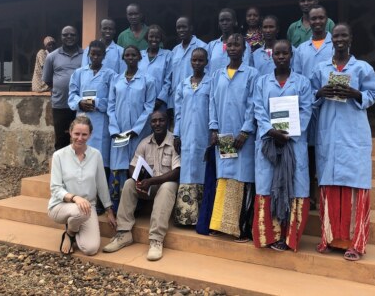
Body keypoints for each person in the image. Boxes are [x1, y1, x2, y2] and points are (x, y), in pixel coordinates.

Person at [311, 23, 375, 261]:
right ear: (332, 39)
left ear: (351, 38)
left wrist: (356, 94)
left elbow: (373, 96)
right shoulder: (321, 69)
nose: (340, 39)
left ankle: (355, 243)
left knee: (354, 186)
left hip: (354, 135)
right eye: (336, 36)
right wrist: (320, 93)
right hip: (328, 133)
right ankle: (328, 238)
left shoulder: (362, 68)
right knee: (329, 186)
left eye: (344, 35)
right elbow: (310, 96)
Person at [253, 40, 313, 252]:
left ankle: (290, 238)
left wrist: (289, 133)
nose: (280, 57)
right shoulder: (261, 82)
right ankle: (270, 236)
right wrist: (271, 131)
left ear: (291, 55)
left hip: (293, 143)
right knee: (267, 183)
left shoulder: (303, 83)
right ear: (272, 56)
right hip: (269, 142)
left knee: (295, 185)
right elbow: (258, 109)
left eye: (284, 53)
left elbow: (306, 110)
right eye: (277, 53)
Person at [103, 110, 180, 261]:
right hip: (148, 187)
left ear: (168, 122)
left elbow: (176, 172)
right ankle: (124, 233)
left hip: (165, 189)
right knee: (129, 183)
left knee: (168, 186)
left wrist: (151, 181)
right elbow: (133, 166)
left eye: (161, 120)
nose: (157, 124)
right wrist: (138, 180)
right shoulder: (145, 143)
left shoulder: (174, 143)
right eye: (154, 121)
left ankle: (156, 240)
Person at [209, 33, 258, 241]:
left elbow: (253, 104)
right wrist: (213, 128)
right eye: (230, 44)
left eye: (238, 44)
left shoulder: (252, 74)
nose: (234, 47)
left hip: (242, 138)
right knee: (225, 177)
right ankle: (221, 224)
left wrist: (245, 131)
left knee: (242, 179)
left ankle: (241, 228)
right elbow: (212, 102)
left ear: (245, 49)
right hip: (224, 136)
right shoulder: (217, 74)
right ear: (226, 48)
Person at [48, 116, 116, 255]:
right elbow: (55, 188)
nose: (80, 138)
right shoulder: (59, 156)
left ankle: (72, 229)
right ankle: (70, 233)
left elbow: (102, 184)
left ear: (90, 135)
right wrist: (75, 198)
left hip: (86, 208)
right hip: (60, 206)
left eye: (84, 134)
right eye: (76, 134)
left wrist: (109, 210)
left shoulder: (96, 155)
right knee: (80, 210)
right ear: (70, 132)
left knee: (90, 249)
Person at [292, 5, 334, 208]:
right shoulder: (301, 50)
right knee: (307, 150)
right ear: (308, 21)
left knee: (326, 149)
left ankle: (324, 195)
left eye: (321, 18)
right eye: (313, 19)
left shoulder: (335, 45)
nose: (317, 22)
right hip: (306, 106)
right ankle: (308, 193)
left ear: (326, 19)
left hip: (330, 107)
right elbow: (297, 78)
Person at [107, 46, 156, 212]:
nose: (130, 57)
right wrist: (114, 129)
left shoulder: (148, 80)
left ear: (139, 57)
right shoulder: (116, 80)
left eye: (134, 55)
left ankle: (138, 207)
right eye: (127, 55)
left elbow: (149, 107)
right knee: (119, 165)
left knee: (137, 166)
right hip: (119, 134)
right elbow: (111, 106)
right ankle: (117, 207)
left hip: (139, 133)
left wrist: (136, 129)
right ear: (123, 58)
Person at [173, 48, 211, 226]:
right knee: (187, 171)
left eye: (201, 60)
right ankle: (187, 218)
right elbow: (178, 112)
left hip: (204, 133)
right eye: (194, 60)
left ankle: (202, 217)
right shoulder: (183, 84)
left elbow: (214, 109)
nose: (197, 63)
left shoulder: (211, 82)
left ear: (206, 62)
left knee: (203, 171)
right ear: (190, 62)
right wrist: (177, 134)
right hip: (187, 135)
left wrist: (213, 132)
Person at [69, 40, 116, 177]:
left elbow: (113, 100)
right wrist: (80, 103)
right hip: (82, 118)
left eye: (99, 55)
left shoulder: (110, 74)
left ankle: (100, 194)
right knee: (81, 154)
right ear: (88, 54)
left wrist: (97, 103)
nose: (95, 57)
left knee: (100, 159)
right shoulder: (79, 73)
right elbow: (72, 95)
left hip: (101, 121)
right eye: (93, 54)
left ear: (104, 56)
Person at [43, 26, 84, 150]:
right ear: (60, 37)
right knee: (61, 141)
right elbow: (48, 80)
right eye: (65, 35)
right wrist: (61, 89)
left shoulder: (85, 55)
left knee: (80, 139)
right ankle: (61, 169)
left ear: (77, 37)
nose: (69, 37)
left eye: (72, 34)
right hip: (60, 105)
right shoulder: (52, 57)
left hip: (80, 106)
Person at [168, 16, 207, 110]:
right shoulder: (175, 50)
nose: (181, 30)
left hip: (194, 94)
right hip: (177, 98)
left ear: (191, 28)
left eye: (184, 27)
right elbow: (171, 76)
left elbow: (206, 73)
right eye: (178, 27)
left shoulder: (202, 46)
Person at [207, 8, 251, 75]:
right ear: (218, 24)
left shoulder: (244, 45)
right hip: (214, 85)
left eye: (228, 20)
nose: (224, 23)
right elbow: (206, 68)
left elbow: (246, 67)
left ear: (235, 22)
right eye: (222, 20)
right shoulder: (211, 46)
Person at [138, 25, 171, 110]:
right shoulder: (140, 55)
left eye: (157, 37)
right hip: (140, 101)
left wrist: (160, 100)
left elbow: (168, 80)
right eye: (151, 36)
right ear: (147, 37)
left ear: (161, 39)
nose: (154, 39)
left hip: (159, 103)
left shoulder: (167, 55)